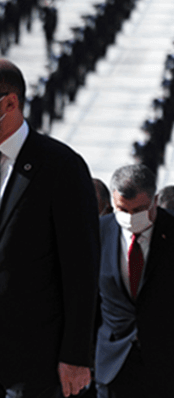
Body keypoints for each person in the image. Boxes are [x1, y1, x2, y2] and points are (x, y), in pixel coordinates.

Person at [0, 57, 99, 398]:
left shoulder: (60, 166)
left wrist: (76, 355)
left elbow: (81, 269)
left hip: (36, 352)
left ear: (10, 102)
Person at [95, 164, 173, 397]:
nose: (130, 218)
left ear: (155, 201)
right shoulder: (98, 233)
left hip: (165, 365)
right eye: (122, 210)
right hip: (113, 364)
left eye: (138, 210)